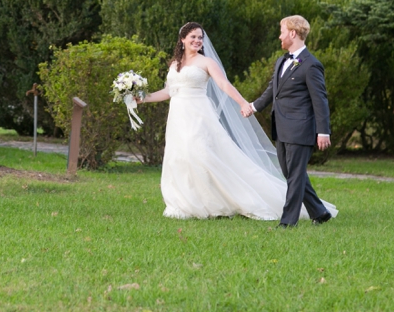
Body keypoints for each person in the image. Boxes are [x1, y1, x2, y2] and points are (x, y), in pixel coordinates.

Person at [138, 22, 337, 222]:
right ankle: (186, 203)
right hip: (178, 117)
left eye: (200, 37)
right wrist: (143, 98)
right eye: (193, 37)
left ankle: (220, 201)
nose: (198, 41)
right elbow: (169, 91)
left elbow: (224, 84)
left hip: (199, 116)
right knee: (179, 158)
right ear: (182, 40)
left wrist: (243, 103)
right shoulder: (174, 65)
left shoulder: (207, 62)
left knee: (200, 155)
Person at [241, 16, 336, 228]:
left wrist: (323, 131)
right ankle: (319, 212)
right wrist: (253, 107)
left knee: (294, 176)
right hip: (281, 128)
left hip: (300, 129)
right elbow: (271, 91)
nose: (279, 36)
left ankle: (288, 222)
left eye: (282, 31)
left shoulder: (312, 65)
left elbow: (320, 100)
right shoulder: (282, 61)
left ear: (293, 33)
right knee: (292, 173)